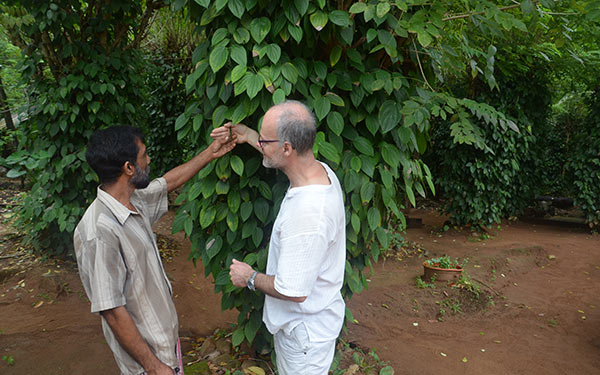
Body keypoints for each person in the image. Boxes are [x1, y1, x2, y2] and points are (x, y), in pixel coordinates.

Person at [73, 126, 235, 375]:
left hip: (164, 345)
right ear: (128, 168)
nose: (149, 160)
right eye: (144, 155)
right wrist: (155, 367)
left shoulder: (132, 199)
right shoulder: (99, 231)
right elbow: (112, 311)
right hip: (147, 362)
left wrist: (211, 153)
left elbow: (168, 182)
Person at [214, 100, 346, 375]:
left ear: (287, 148)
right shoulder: (319, 171)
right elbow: (278, 153)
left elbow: (293, 290)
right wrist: (248, 134)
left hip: (304, 341)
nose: (259, 142)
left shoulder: (308, 214)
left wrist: (248, 277)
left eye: (264, 139)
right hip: (309, 330)